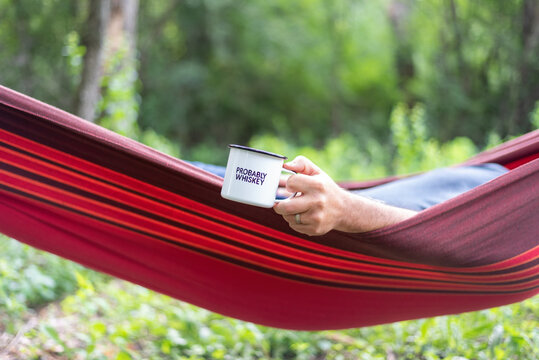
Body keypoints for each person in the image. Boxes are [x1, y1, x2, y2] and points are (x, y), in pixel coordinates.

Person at [190, 156, 508, 236]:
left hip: (396, 218)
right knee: (197, 176)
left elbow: (456, 235)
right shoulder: (523, 173)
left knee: (206, 184)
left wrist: (344, 209)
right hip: (485, 181)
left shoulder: (522, 202)